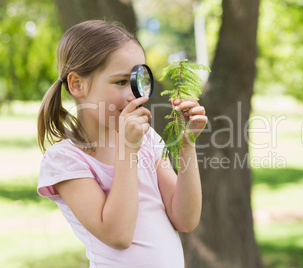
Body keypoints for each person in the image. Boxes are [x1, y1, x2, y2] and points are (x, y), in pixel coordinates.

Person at [37, 20, 207, 267]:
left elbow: (186, 219)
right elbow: (118, 235)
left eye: (138, 81)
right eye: (120, 82)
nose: (133, 94)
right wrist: (128, 150)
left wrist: (187, 144)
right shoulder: (66, 160)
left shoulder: (147, 139)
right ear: (77, 84)